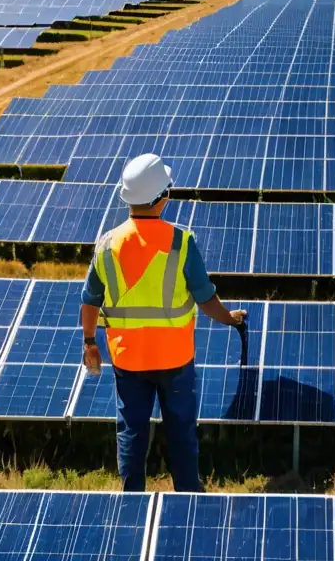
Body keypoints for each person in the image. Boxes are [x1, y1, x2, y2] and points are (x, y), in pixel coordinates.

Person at [80, 153, 246, 493]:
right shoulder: (181, 242)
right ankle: (187, 495)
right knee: (181, 428)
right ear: (162, 198)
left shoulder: (107, 244)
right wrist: (230, 319)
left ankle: (132, 499)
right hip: (175, 359)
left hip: (128, 360)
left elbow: (89, 300)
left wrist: (89, 342)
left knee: (131, 431)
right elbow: (206, 299)